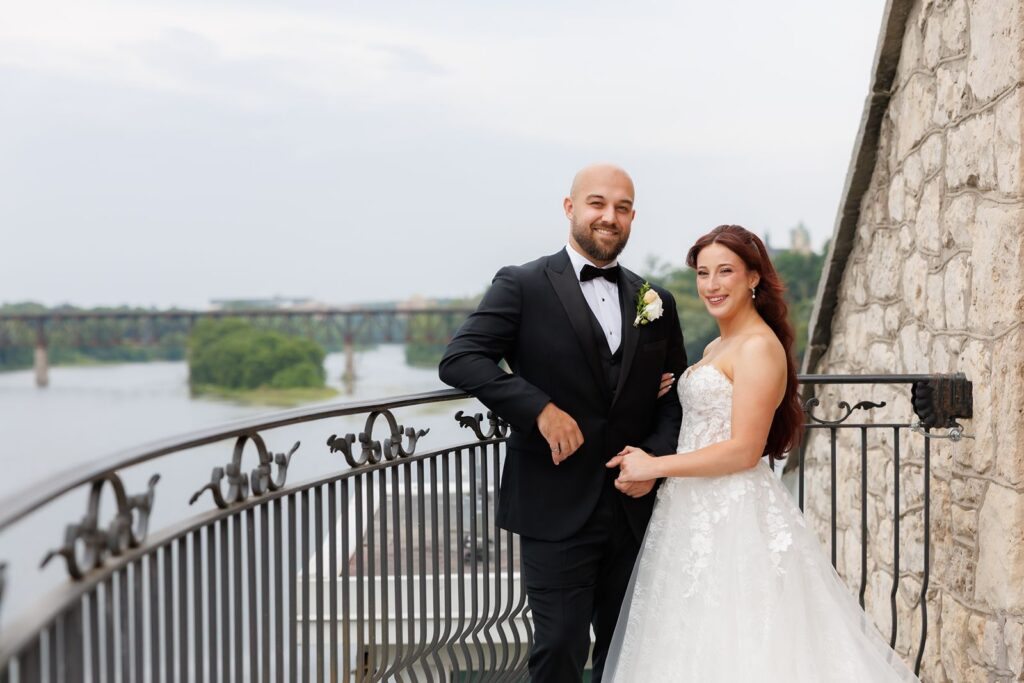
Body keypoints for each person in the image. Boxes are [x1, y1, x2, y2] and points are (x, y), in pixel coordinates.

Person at [602, 225, 920, 681]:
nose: (711, 285)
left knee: (744, 643)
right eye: (703, 273)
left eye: (725, 271)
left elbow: (744, 450)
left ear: (753, 277)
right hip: (689, 511)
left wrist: (655, 465)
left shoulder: (758, 347)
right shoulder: (716, 346)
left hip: (735, 517)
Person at [438, 164, 687, 682]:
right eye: (597, 203)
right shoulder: (522, 284)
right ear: (570, 208)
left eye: (622, 208)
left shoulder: (656, 300)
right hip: (554, 502)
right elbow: (461, 359)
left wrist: (654, 463)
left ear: (633, 217)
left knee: (630, 650)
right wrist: (540, 410)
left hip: (634, 506)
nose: (609, 216)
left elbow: (674, 399)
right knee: (559, 646)